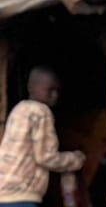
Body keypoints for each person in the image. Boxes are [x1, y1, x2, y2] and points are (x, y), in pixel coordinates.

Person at [0, 66, 86, 207]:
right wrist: (76, 159)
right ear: (31, 87)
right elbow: (45, 157)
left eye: (57, 90)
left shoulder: (19, 109)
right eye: (50, 89)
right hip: (22, 195)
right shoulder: (41, 112)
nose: (55, 95)